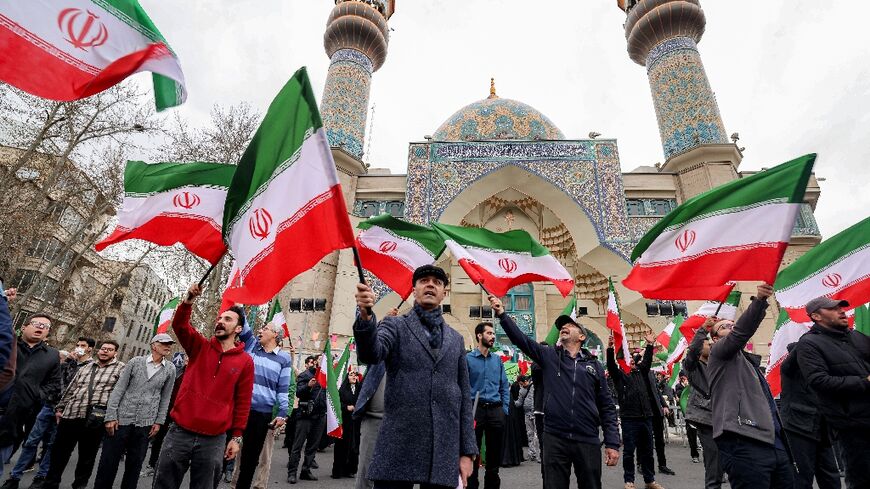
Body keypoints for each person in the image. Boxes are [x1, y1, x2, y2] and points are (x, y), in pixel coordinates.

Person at [353, 265, 477, 489]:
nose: (430, 284)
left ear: (444, 294)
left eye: (437, 282)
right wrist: (365, 316)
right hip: (399, 444)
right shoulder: (395, 326)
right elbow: (372, 353)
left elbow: (464, 396)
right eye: (424, 281)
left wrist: (467, 452)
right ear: (414, 290)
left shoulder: (456, 339)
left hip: (442, 449)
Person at [497, 303, 619, 489]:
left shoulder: (594, 367)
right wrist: (502, 315)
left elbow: (606, 406)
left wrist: (612, 442)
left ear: (582, 336)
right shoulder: (549, 356)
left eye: (570, 325)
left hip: (587, 438)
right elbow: (521, 340)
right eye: (562, 326)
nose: (564, 327)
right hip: (555, 437)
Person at [152, 284, 254, 489]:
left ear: (239, 329)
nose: (220, 322)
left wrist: (236, 437)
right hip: (179, 433)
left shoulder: (245, 362)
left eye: (227, 319)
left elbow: (243, 401)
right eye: (219, 318)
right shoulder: (200, 346)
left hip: (214, 440)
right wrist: (188, 301)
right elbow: (180, 326)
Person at [707, 283, 795, 489]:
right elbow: (740, 333)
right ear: (714, 338)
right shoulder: (718, 354)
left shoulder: (748, 363)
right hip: (744, 439)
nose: (731, 327)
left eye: (732, 323)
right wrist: (760, 301)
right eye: (724, 326)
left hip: (774, 442)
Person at [795, 296, 870, 488]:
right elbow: (818, 380)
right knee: (863, 477)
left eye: (841, 307)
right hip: (852, 423)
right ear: (816, 316)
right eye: (834, 309)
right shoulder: (809, 344)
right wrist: (863, 382)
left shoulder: (856, 336)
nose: (842, 311)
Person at [92, 334, 177, 489]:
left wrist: (159, 421)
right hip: (120, 419)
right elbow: (119, 389)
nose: (168, 346)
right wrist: (110, 416)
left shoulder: (170, 368)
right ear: (153, 345)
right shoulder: (135, 362)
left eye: (170, 343)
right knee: (108, 462)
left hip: (146, 423)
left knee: (135, 464)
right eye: (164, 343)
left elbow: (166, 397)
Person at [43, 340, 124, 489]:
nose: (105, 351)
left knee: (86, 458)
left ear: (115, 353)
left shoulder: (121, 369)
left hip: (95, 418)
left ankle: (79, 486)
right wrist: (60, 408)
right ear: (98, 351)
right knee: (59, 454)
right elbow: (71, 389)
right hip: (71, 414)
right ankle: (50, 484)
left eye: (110, 349)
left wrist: (113, 416)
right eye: (103, 348)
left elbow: (121, 394)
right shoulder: (86, 367)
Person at [0, 313, 61, 483]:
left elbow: (55, 385)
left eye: (46, 326)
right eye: (36, 323)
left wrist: (35, 395)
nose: (40, 327)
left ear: (47, 333)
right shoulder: (7, 345)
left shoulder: (52, 355)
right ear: (25, 326)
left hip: (15, 418)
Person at [234, 319, 291, 489]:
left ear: (275, 335)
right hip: (238, 410)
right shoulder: (251, 345)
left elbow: (283, 388)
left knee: (250, 461)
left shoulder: (284, 358)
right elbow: (242, 324)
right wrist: (238, 300)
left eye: (265, 328)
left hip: (261, 415)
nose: (260, 331)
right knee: (224, 453)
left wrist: (282, 413)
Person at [607, 333, 666, 489]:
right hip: (629, 419)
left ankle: (650, 480)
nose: (631, 360)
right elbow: (611, 365)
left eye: (632, 358)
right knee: (629, 452)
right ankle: (629, 481)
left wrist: (650, 345)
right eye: (628, 359)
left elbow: (646, 360)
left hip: (646, 417)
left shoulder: (641, 371)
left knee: (647, 451)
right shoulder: (619, 376)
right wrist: (610, 348)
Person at [780, 341, 841, 489]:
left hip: (821, 427)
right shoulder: (789, 368)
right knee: (802, 477)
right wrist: (813, 338)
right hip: (798, 427)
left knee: (831, 475)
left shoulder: (818, 371)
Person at [466, 321, 509, 489]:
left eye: (493, 334)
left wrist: (504, 409)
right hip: (474, 410)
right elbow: (461, 387)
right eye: (489, 333)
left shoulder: (497, 360)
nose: (493, 337)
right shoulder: (467, 359)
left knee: (494, 457)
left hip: (495, 411)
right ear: (479, 335)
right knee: (472, 453)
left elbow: (504, 386)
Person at [682, 320, 724, 489]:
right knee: (714, 462)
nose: (711, 344)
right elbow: (692, 351)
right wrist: (702, 330)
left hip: (724, 416)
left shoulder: (718, 363)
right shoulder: (693, 366)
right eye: (707, 342)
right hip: (706, 419)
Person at [142, 353, 187, 477]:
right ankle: (152, 465)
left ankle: (167, 470)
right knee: (158, 438)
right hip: (166, 410)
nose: (188, 359)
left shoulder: (198, 375)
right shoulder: (176, 371)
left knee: (175, 443)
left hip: (183, 414)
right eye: (187, 357)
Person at [286, 354, 326, 484]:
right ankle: (292, 473)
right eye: (321, 360)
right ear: (314, 362)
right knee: (297, 446)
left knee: (312, 447)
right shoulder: (305, 375)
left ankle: (306, 470)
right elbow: (298, 392)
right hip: (305, 416)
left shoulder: (327, 378)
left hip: (320, 416)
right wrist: (308, 386)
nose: (323, 362)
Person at [332, 370, 361, 479]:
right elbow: (337, 403)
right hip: (345, 422)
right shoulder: (342, 389)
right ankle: (338, 471)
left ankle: (350, 470)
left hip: (356, 423)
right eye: (351, 374)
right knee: (341, 446)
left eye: (355, 374)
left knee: (354, 446)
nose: (354, 376)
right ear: (347, 377)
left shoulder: (360, 389)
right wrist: (346, 407)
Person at [646, 368, 674, 476]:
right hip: (645, 412)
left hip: (656, 411)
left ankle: (662, 465)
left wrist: (665, 405)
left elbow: (657, 391)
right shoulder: (636, 372)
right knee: (644, 441)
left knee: (659, 441)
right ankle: (642, 464)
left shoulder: (651, 373)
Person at [515, 376, 539, 463]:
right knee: (529, 434)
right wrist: (512, 403)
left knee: (537, 435)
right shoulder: (521, 390)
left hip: (535, 414)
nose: (521, 386)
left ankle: (539, 455)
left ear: (525, 381)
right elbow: (519, 402)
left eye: (522, 384)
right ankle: (532, 454)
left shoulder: (534, 386)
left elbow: (536, 399)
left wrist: (535, 410)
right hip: (527, 414)